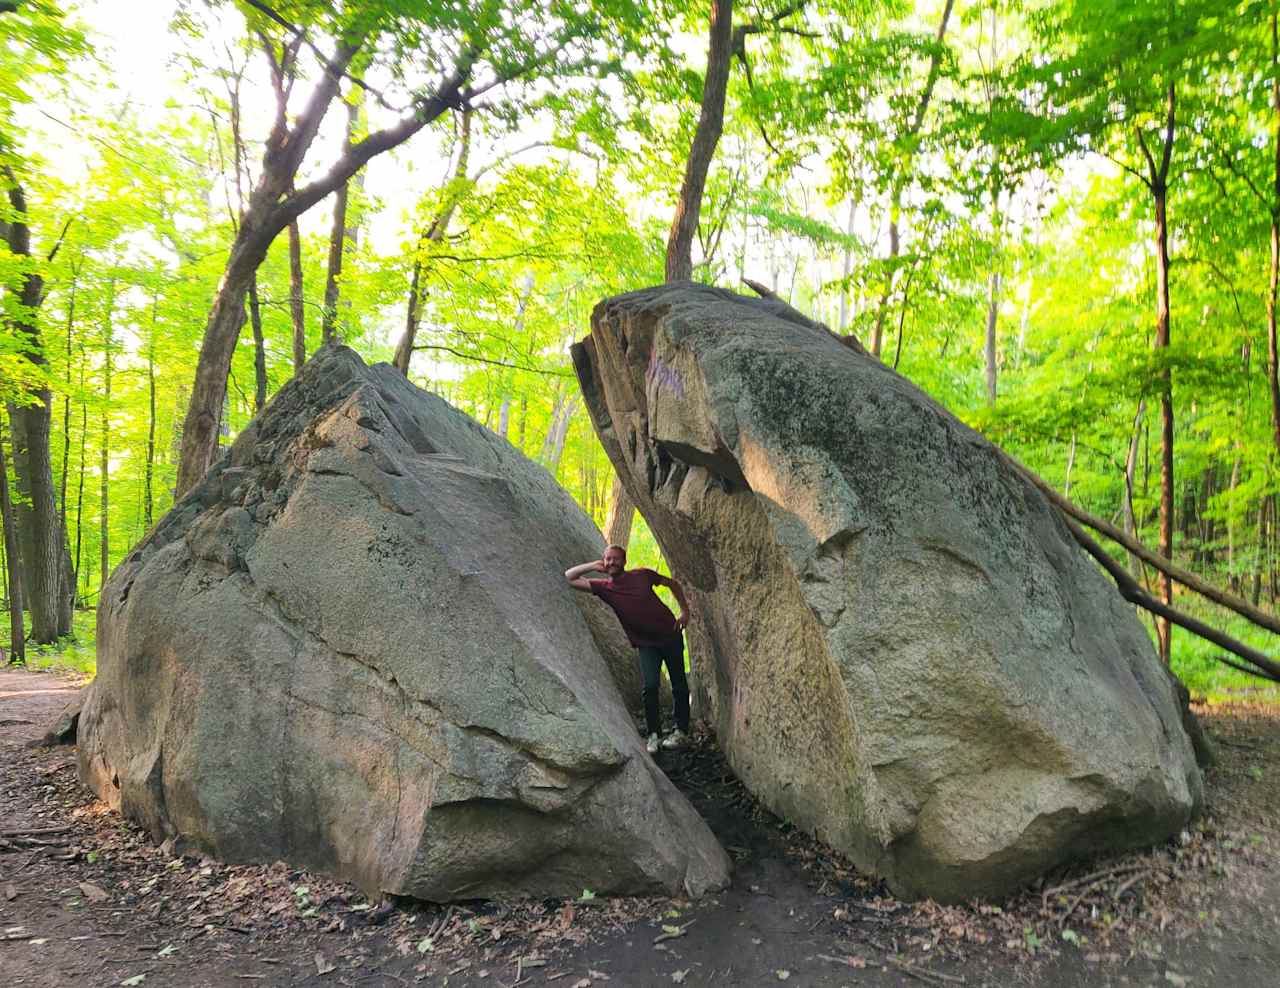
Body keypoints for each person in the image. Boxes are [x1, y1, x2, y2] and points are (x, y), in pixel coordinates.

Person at [566, 544, 691, 755]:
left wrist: (685, 611)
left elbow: (672, 584)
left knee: (678, 684)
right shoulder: (605, 587)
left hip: (670, 636)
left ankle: (681, 731)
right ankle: (654, 735)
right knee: (650, 686)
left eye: (615, 559)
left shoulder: (642, 575)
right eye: (607, 559)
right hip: (646, 644)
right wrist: (593, 565)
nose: (611, 562)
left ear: (624, 561)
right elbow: (570, 577)